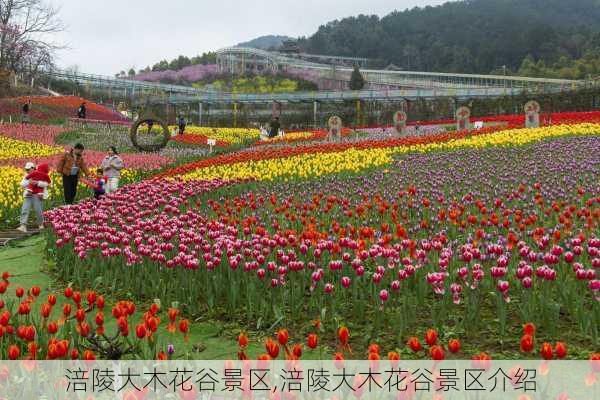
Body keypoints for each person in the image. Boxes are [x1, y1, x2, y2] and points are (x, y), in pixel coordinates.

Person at [17, 163, 51, 233]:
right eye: (26, 169)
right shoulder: (27, 176)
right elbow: (22, 184)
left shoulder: (42, 174)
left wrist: (37, 183)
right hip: (28, 195)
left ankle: (40, 224)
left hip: (38, 195)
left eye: (28, 169)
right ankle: (23, 225)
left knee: (38, 210)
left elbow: (47, 183)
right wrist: (29, 181)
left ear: (33, 168)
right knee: (25, 209)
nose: (27, 171)